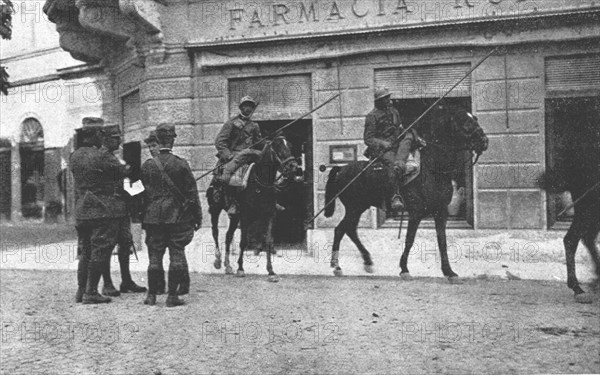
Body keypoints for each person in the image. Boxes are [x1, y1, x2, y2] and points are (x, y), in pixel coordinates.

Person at [141, 123, 202, 307]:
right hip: (177, 216)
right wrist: (197, 217)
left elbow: (142, 194)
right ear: (172, 140)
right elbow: (192, 194)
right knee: (176, 254)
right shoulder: (181, 164)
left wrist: (143, 217)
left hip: (153, 217)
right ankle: (172, 297)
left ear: (158, 141)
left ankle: (151, 296)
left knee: (154, 257)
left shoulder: (148, 165)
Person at [71, 118, 125, 304]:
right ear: (95, 135)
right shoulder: (101, 156)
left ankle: (81, 290)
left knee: (85, 251)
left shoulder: (75, 155)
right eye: (101, 134)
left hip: (82, 210)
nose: (103, 137)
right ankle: (91, 291)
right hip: (101, 209)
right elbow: (120, 171)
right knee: (100, 251)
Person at [97, 125, 147, 296]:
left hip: (120, 207)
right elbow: (123, 171)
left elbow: (124, 176)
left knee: (125, 243)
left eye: (119, 137)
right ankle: (107, 283)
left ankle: (126, 281)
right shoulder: (103, 157)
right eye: (115, 137)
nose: (119, 141)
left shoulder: (112, 156)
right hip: (108, 209)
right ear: (105, 138)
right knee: (107, 245)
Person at [364, 87, 417, 211]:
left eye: (388, 97)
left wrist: (405, 132)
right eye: (385, 98)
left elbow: (399, 127)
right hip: (383, 150)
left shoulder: (394, 111)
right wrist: (382, 143)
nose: (388, 100)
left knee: (409, 137)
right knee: (394, 166)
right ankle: (395, 196)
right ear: (379, 101)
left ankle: (401, 161)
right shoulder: (371, 116)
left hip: (397, 144)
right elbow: (368, 139)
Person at [214, 96, 264, 214]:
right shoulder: (231, 123)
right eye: (246, 106)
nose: (248, 109)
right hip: (235, 156)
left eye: (250, 106)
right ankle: (232, 203)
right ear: (241, 107)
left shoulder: (254, 126)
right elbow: (220, 141)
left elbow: (258, 142)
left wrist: (267, 142)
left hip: (250, 155)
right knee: (231, 179)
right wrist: (228, 155)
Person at [142, 130, 165, 294]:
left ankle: (155, 290)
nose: (151, 149)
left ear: (161, 145)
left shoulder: (148, 166)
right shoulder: (147, 166)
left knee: (155, 252)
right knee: (156, 253)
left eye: (154, 145)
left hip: (153, 215)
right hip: (166, 216)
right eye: (149, 146)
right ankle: (160, 286)